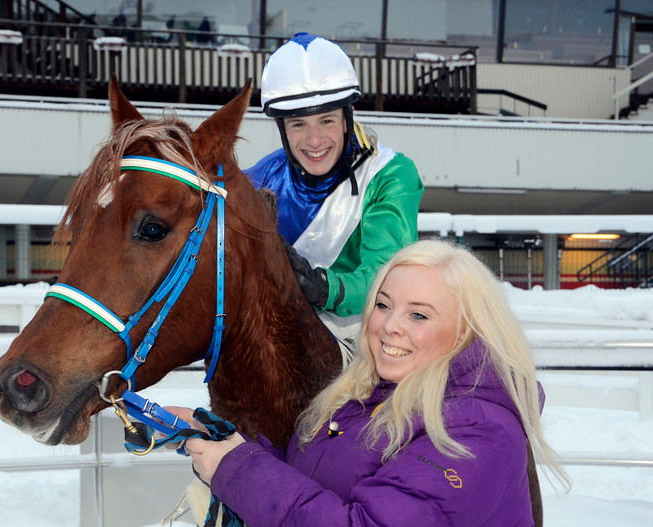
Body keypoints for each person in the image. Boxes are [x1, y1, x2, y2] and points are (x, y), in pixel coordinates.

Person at [172, 239, 570, 526]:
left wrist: (239, 471)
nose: (388, 327)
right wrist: (227, 444)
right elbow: (318, 486)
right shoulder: (370, 394)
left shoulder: (478, 431)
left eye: (419, 315)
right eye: (383, 305)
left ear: (467, 331)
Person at [245, 32, 424, 353]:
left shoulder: (390, 174)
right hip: (281, 338)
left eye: (326, 121)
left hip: (372, 338)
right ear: (283, 129)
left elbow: (388, 275)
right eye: (298, 124)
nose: (314, 141)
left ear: (346, 120)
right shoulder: (257, 181)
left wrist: (323, 289)